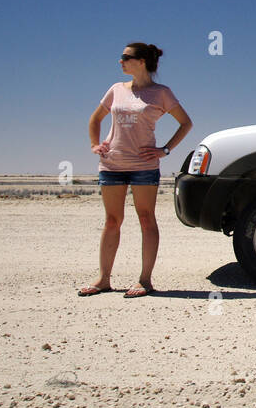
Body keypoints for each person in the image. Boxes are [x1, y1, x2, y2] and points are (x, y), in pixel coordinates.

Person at [77, 43, 192, 298]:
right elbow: (95, 119)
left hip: (144, 166)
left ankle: (144, 280)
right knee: (112, 221)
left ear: (141, 62)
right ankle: (103, 279)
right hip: (112, 164)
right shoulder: (116, 89)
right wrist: (95, 145)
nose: (120, 61)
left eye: (125, 57)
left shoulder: (161, 93)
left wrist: (165, 150)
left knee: (145, 218)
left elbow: (186, 123)